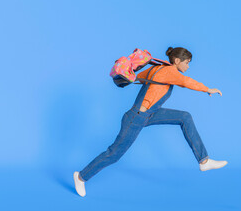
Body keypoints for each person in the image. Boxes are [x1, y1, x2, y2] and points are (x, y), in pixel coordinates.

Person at [73, 47, 228, 197]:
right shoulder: (170, 71)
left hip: (149, 114)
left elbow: (140, 77)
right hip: (136, 118)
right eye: (186, 62)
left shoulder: (158, 68)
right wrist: (208, 89)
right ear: (176, 60)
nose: (188, 66)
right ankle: (81, 177)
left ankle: (204, 161)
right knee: (114, 154)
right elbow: (186, 82)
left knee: (184, 117)